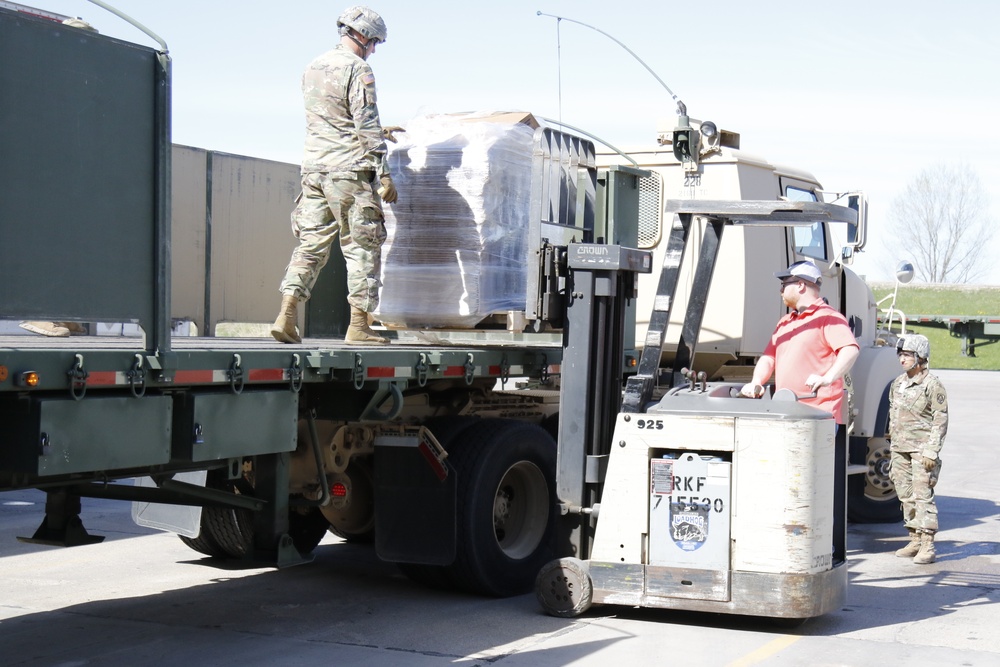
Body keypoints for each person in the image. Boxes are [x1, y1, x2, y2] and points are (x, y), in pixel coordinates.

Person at [270, 6, 401, 345]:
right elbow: (365, 124)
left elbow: (331, 118)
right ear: (363, 36)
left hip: (314, 170)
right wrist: (384, 175)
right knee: (362, 245)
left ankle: (286, 315)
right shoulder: (359, 69)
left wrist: (378, 130)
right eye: (374, 43)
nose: (373, 50)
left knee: (310, 245)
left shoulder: (312, 66)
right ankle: (359, 326)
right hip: (349, 173)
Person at [739, 260, 860, 428]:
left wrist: (827, 378)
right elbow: (768, 358)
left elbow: (850, 349)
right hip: (786, 413)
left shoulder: (828, 317)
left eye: (784, 284)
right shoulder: (784, 323)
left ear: (801, 285)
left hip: (818, 417)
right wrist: (756, 381)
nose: (781, 290)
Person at [887, 333, 948, 564]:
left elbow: (940, 419)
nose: (902, 359)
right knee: (905, 495)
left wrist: (932, 450)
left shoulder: (932, 385)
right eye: (901, 355)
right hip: (900, 448)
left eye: (908, 355)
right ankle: (914, 538)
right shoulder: (898, 384)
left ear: (920, 357)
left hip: (921, 451)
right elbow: (893, 414)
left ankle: (928, 544)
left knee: (923, 497)